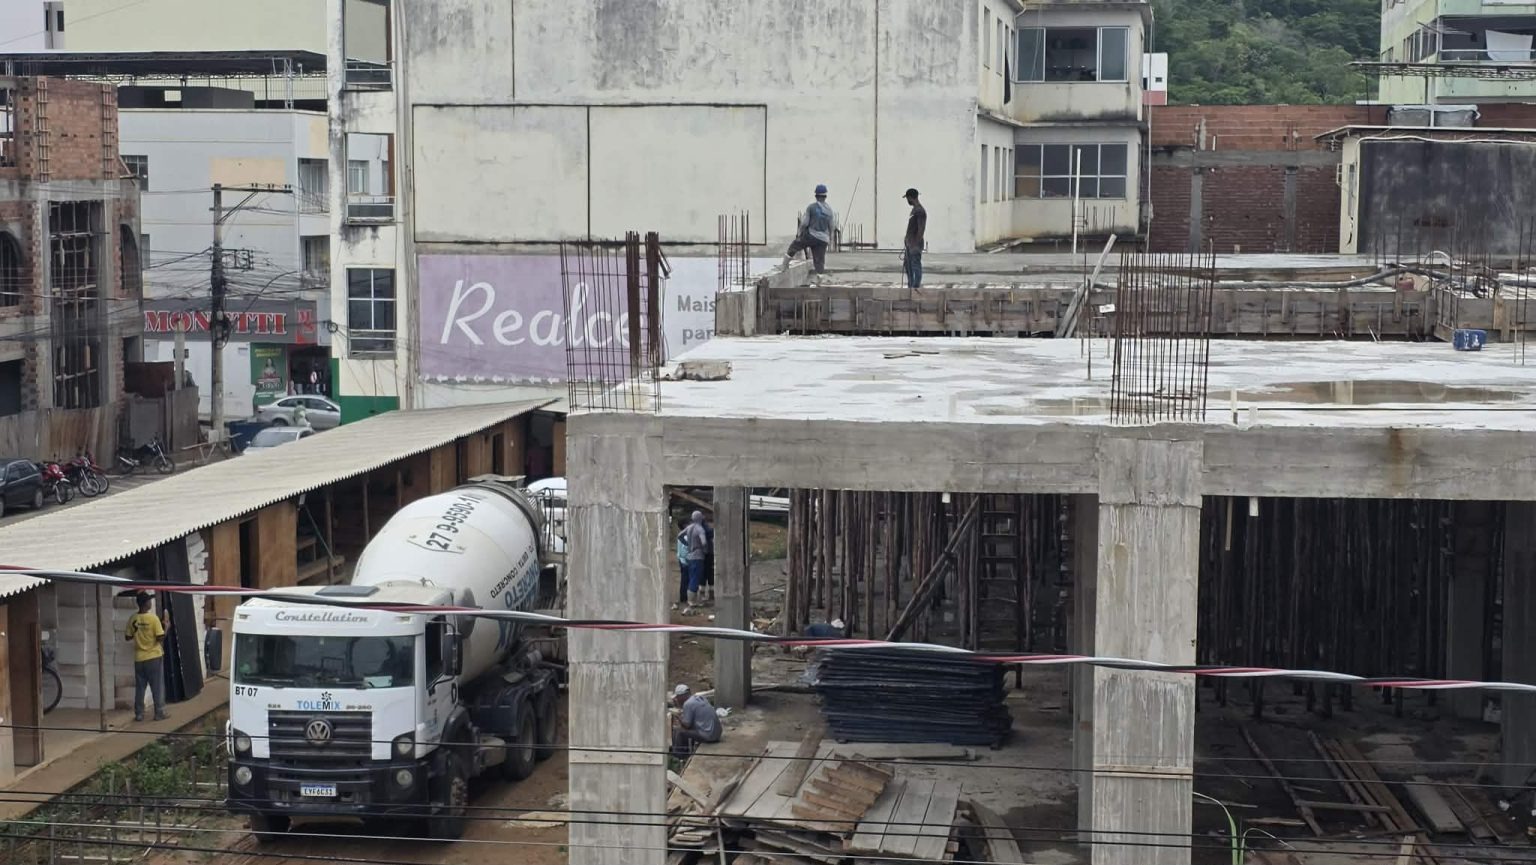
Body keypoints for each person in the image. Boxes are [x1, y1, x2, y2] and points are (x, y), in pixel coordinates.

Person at [125, 592, 168, 722]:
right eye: (149, 601)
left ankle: (139, 714)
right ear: (145, 604)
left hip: (139, 659)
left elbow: (127, 637)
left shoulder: (133, 619)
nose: (151, 603)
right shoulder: (153, 619)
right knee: (157, 686)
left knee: (140, 688)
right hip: (153, 657)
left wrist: (139, 633)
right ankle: (159, 712)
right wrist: (167, 628)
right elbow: (160, 638)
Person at [782, 184, 839, 275]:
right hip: (823, 239)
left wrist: (799, 233)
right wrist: (830, 240)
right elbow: (832, 227)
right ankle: (819, 279)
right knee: (819, 261)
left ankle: (784, 266)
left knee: (795, 245)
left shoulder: (812, 207)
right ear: (825, 196)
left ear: (816, 196)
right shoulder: (829, 211)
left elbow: (805, 223)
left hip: (811, 236)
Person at [669, 684, 722, 760]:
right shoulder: (700, 698)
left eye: (677, 697)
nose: (677, 699)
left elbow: (687, 725)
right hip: (716, 733)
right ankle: (683, 750)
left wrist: (678, 717)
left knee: (679, 731)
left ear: (682, 696)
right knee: (689, 729)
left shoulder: (688, 704)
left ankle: (680, 756)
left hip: (709, 736)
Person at [682, 511, 709, 607]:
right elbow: (704, 542)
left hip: (690, 556)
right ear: (700, 518)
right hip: (698, 556)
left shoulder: (689, 527)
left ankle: (691, 600)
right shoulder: (700, 529)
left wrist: (688, 544)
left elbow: (680, 536)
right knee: (695, 578)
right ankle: (692, 601)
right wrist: (705, 550)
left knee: (691, 577)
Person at [902, 188, 926, 289]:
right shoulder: (914, 210)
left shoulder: (920, 211)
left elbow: (921, 229)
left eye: (907, 198)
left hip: (914, 245)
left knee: (915, 266)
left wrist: (914, 243)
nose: (907, 200)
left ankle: (915, 287)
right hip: (910, 244)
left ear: (911, 198)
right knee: (908, 266)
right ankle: (911, 286)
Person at [674, 519, 691, 611]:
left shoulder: (681, 535)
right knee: (686, 580)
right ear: (684, 525)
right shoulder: (685, 536)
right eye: (688, 523)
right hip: (685, 561)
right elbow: (685, 550)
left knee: (684, 580)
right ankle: (684, 598)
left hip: (681, 559)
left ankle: (683, 597)